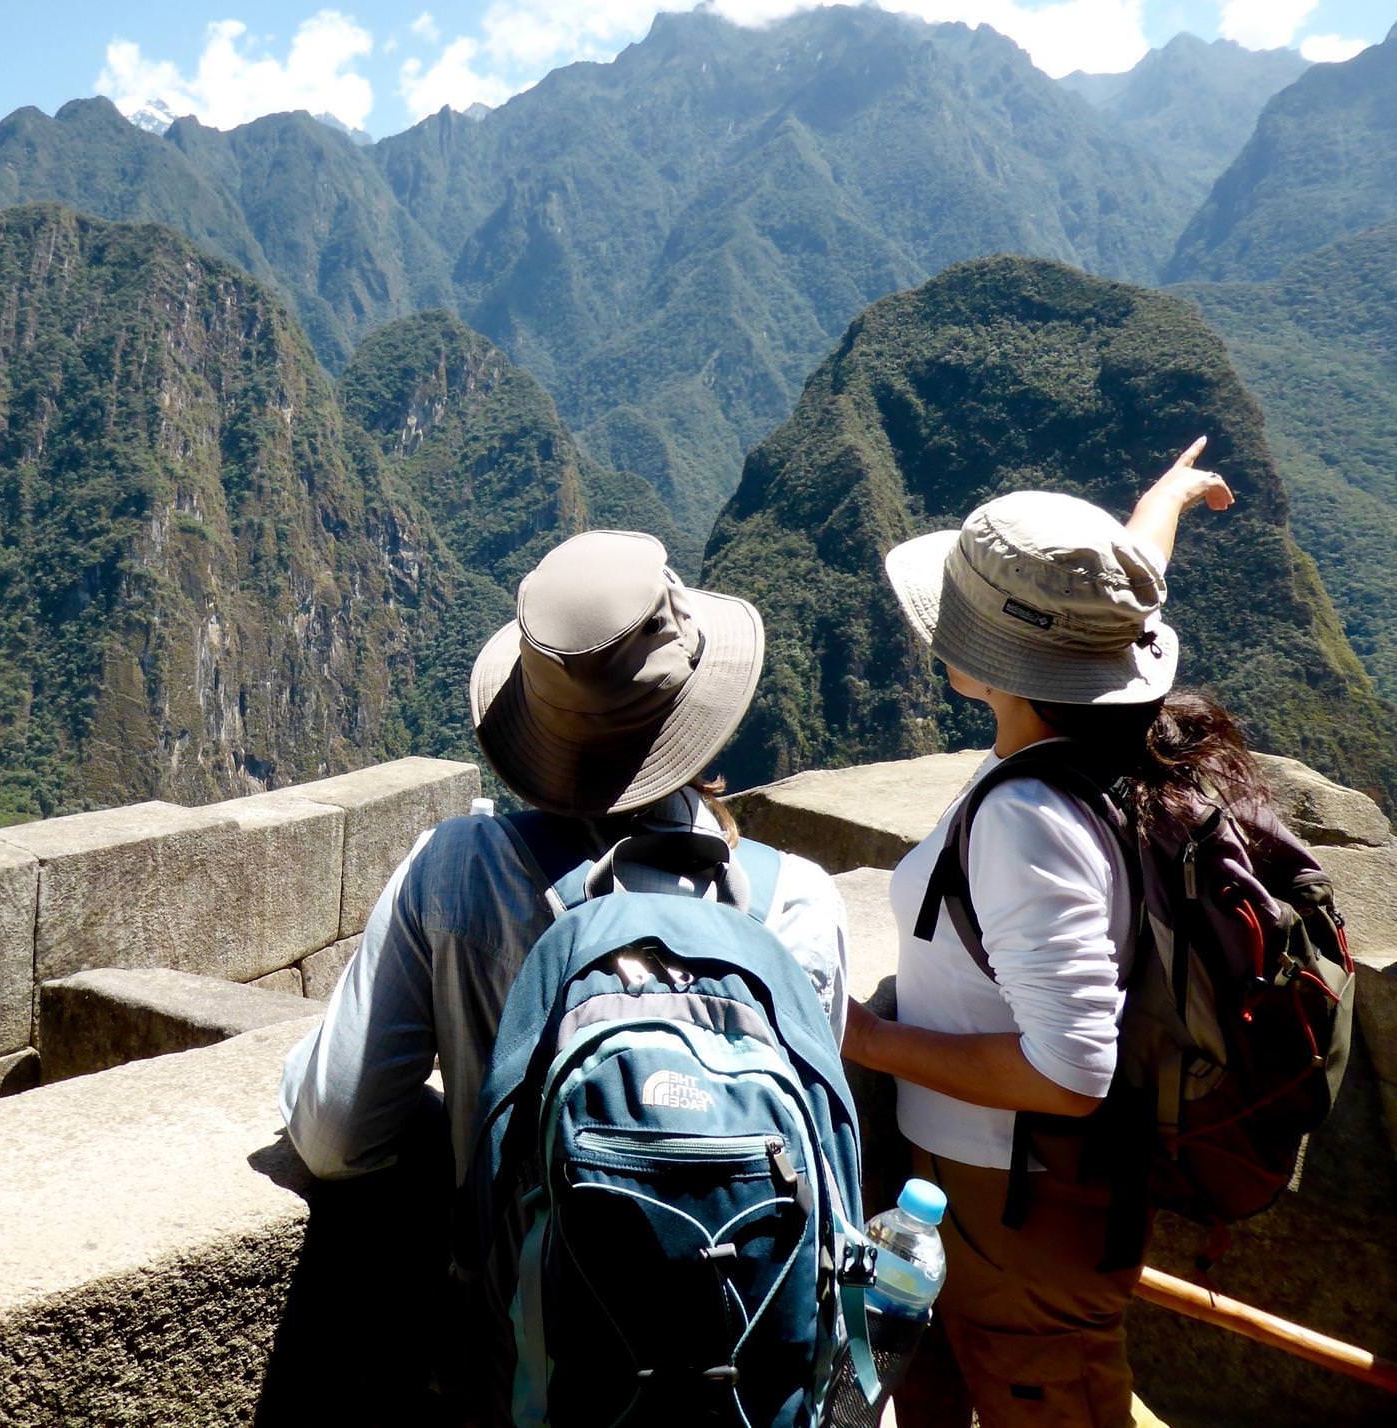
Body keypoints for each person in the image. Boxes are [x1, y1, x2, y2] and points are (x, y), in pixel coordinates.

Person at [844, 440, 1240, 1428]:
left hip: (1013, 1205)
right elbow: (1111, 600)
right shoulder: (1112, 736)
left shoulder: (1029, 822)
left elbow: (1071, 1070)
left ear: (994, 664)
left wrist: (862, 1037)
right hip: (998, 1197)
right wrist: (1166, 500)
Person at [279, 525, 849, 1188]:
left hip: (528, 1290)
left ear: (537, 718)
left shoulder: (458, 872)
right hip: (753, 1286)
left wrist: (309, 1067)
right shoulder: (797, 904)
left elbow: (335, 1137)